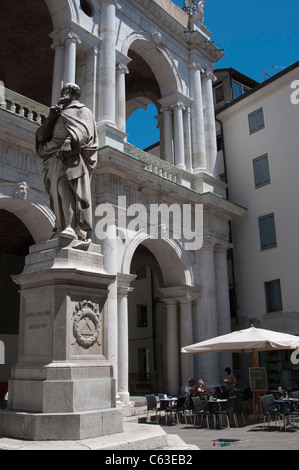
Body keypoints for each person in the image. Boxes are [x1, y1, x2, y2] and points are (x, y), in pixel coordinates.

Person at [36, 83, 98, 241]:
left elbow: (86, 131)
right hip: (54, 155)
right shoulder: (57, 113)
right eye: (62, 90)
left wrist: (70, 140)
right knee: (55, 191)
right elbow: (42, 137)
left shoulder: (82, 110)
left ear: (74, 94)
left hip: (72, 156)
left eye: (66, 91)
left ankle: (70, 227)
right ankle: (61, 225)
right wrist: (50, 117)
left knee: (66, 188)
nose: (62, 93)